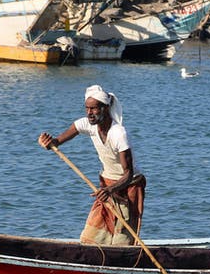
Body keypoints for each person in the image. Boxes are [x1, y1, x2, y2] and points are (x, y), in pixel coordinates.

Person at [38, 84, 146, 245]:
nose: (89, 113)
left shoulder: (118, 134)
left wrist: (110, 190)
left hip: (128, 186)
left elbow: (128, 174)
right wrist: (49, 142)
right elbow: (57, 141)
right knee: (92, 236)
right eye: (87, 108)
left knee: (122, 240)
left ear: (105, 108)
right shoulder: (87, 124)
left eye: (94, 109)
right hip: (106, 185)